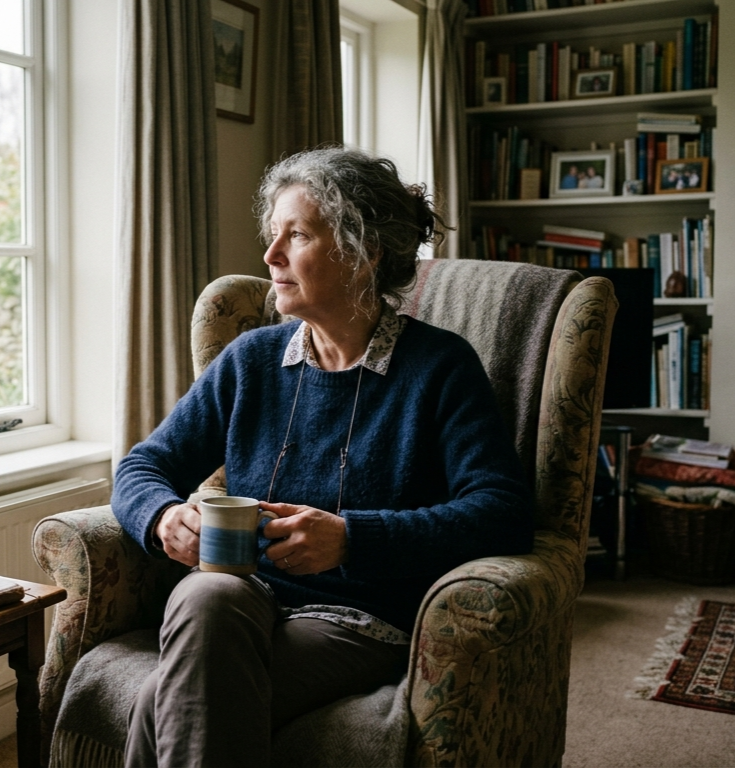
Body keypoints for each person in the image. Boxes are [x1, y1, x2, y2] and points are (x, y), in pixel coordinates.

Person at [112, 147, 533, 767]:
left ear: (365, 253)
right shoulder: (251, 362)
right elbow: (141, 467)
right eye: (271, 235)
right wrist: (161, 517)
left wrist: (351, 539)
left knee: (163, 700)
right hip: (242, 598)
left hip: (359, 620)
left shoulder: (440, 368)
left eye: (297, 235)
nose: (270, 257)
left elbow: (501, 512)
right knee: (204, 596)